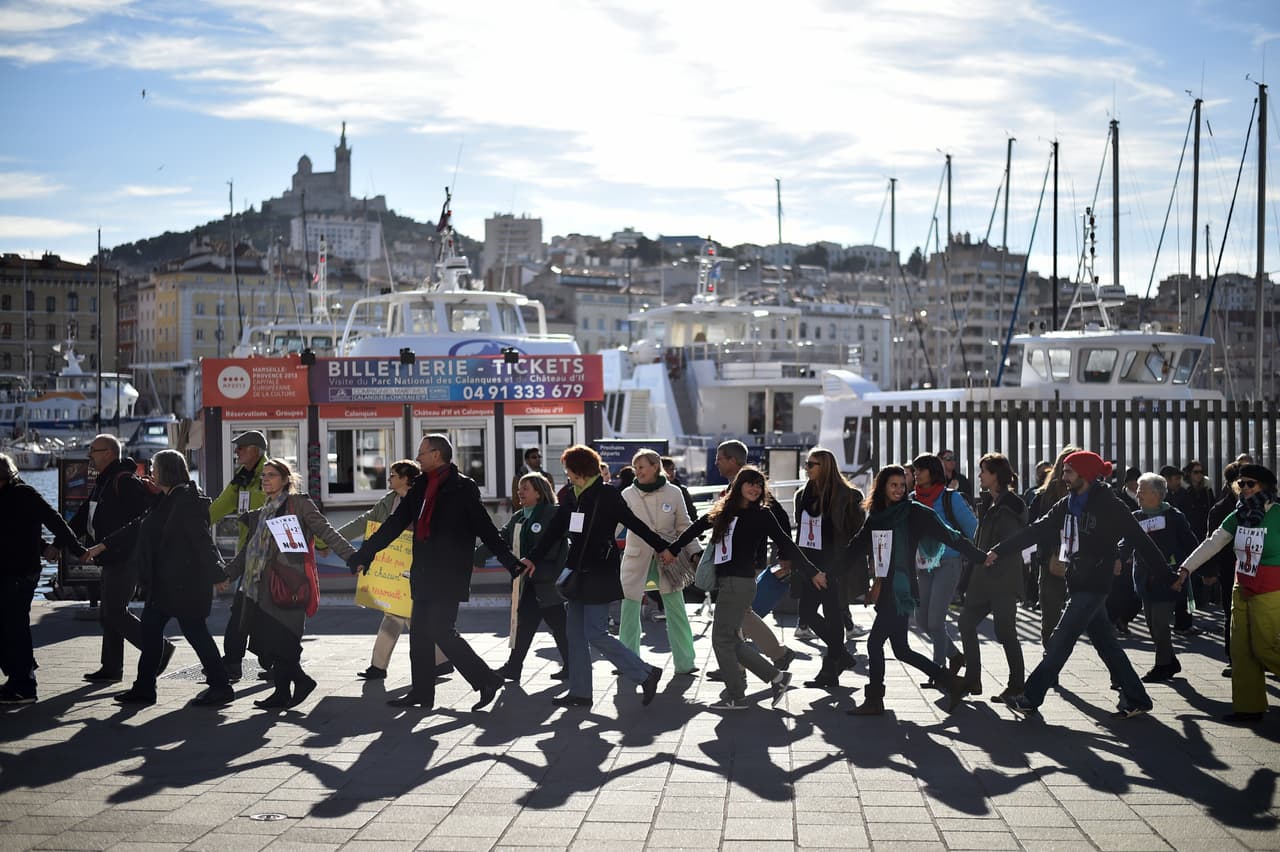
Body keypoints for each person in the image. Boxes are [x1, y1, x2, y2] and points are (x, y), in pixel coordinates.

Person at [349, 434, 524, 711]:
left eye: (422, 452)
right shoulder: (419, 487)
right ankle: (421, 693)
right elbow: (395, 524)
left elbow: (485, 528)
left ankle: (485, 679)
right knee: (419, 632)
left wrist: (509, 561)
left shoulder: (462, 487)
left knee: (441, 630)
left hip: (450, 573)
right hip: (423, 572)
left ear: (437, 455)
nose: (417, 457)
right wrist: (364, 553)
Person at [984, 451, 1164, 720]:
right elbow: (1037, 529)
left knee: (1060, 640)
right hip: (1078, 581)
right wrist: (1001, 550)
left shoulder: (1110, 505)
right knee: (1107, 644)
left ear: (1086, 474)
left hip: (1095, 584)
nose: (1063, 477)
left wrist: (1168, 574)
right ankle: (1137, 698)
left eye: (1068, 472)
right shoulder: (1069, 503)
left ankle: (1030, 698)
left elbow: (1140, 540)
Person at [523, 444, 671, 709]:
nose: (566, 475)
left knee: (595, 632)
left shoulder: (606, 495)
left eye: (568, 470)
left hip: (600, 572)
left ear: (578, 471)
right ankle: (580, 693)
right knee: (574, 634)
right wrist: (533, 557)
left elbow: (635, 523)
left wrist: (663, 547)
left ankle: (645, 673)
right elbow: (555, 530)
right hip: (576, 572)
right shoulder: (570, 495)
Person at [668, 466, 823, 710]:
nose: (754, 488)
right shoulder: (725, 510)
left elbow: (786, 543)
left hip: (740, 583)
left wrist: (812, 571)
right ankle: (776, 677)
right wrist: (673, 548)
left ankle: (737, 694)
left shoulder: (762, 514)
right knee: (728, 638)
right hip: (728, 581)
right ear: (739, 485)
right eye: (750, 483)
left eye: (759, 485)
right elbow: (697, 527)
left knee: (721, 638)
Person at [846, 465, 988, 716]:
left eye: (903, 485)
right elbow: (858, 545)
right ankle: (952, 682)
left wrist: (980, 556)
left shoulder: (916, 512)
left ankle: (874, 699)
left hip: (901, 589)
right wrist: (828, 570)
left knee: (873, 643)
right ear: (882, 487)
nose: (900, 489)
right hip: (887, 585)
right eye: (894, 485)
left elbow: (950, 536)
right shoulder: (877, 515)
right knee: (901, 649)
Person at [225, 458, 355, 709]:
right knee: (273, 642)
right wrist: (228, 574)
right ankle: (284, 692)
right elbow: (248, 552)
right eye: (263, 475)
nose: (265, 479)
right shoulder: (262, 512)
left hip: (290, 584)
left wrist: (352, 557)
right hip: (261, 587)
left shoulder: (299, 504)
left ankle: (297, 683)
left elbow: (327, 532)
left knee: (284, 640)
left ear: (286, 480)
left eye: (271, 475)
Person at [112, 451, 234, 707]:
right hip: (164, 584)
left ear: (168, 471)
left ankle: (221, 686)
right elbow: (142, 526)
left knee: (195, 632)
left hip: (184, 584)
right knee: (151, 632)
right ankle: (144, 687)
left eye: (155, 468)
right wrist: (105, 545)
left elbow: (202, 542)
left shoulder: (186, 501)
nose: (151, 473)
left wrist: (217, 574)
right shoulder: (166, 499)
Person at [1174, 464, 1279, 723]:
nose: (1243, 489)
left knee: (1265, 648)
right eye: (1240, 484)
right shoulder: (1238, 515)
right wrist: (1186, 568)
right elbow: (1213, 542)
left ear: (1265, 487)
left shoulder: (1277, 513)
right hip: (1241, 587)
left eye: (1249, 484)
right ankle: (1248, 708)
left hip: (1270, 588)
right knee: (1241, 651)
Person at [331, 460, 451, 681]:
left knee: (404, 615)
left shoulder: (424, 500)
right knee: (398, 612)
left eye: (393, 475)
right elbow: (363, 522)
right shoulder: (388, 502)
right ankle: (438, 660)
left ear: (406, 478)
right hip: (392, 568)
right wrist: (331, 539)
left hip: (417, 567)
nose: (389, 479)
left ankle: (435, 661)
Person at [72, 434, 170, 684]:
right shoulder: (103, 482)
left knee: (115, 612)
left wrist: (108, 544)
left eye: (93, 450)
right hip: (110, 556)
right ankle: (111, 667)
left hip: (125, 556)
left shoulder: (124, 481)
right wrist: (62, 541)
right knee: (109, 613)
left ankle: (159, 649)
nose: (88, 455)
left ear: (108, 453)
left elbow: (140, 522)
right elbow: (85, 514)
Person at [0, 453, 86, 704]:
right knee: (11, 627)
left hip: (20, 573)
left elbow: (56, 522)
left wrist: (76, 550)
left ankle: (24, 685)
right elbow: (16, 534)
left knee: (14, 626)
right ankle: (21, 673)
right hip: (11, 570)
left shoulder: (24, 494)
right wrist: (44, 546)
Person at [706, 440, 797, 677]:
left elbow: (780, 521)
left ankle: (740, 667)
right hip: (735, 563)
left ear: (732, 461)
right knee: (742, 615)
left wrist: (785, 556)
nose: (716, 462)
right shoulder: (733, 488)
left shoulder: (753, 486)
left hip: (746, 564)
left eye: (720, 457)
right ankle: (771, 656)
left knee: (739, 615)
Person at [484, 472, 570, 683]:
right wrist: (473, 556)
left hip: (548, 582)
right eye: (519, 488)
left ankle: (572, 665)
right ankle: (514, 667)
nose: (519, 492)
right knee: (527, 623)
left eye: (525, 488)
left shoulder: (552, 513)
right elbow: (499, 539)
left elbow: (553, 545)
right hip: (529, 582)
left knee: (558, 625)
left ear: (539, 493)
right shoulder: (520, 516)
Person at [619, 450, 698, 676]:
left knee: (676, 610)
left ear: (655, 466)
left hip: (669, 557)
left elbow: (685, 525)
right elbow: (613, 526)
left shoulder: (674, 492)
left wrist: (695, 553)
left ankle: (685, 662)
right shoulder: (627, 494)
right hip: (636, 558)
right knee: (629, 610)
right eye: (635, 468)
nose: (638, 471)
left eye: (642, 466)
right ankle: (628, 662)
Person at [791, 447, 865, 689]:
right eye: (806, 463)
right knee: (808, 613)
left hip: (835, 566)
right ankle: (840, 655)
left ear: (825, 466)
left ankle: (830, 670)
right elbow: (800, 533)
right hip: (811, 566)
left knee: (833, 614)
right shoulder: (802, 495)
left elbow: (857, 535)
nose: (806, 467)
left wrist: (836, 569)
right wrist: (804, 567)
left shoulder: (848, 495)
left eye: (811, 464)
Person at [957, 453, 1027, 701]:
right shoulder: (988, 503)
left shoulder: (1012, 505)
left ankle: (1018, 685)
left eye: (983, 471)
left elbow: (1010, 542)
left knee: (1005, 630)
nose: (979, 475)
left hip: (1003, 579)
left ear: (996, 474)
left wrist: (990, 556)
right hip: (981, 579)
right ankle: (972, 679)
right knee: (965, 623)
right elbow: (979, 542)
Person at [1124, 472, 1198, 684]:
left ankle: (1162, 665)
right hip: (1143, 579)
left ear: (1157, 495)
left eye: (1142, 490)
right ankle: (1171, 661)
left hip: (1168, 579)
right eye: (1138, 490)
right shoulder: (1136, 517)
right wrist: (1120, 557)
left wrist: (1191, 570)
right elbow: (1126, 542)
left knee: (1159, 624)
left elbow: (1191, 544)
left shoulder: (1174, 517)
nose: (1137, 494)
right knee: (1151, 624)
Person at [911, 453, 977, 684]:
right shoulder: (912, 499)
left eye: (921, 469)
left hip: (948, 563)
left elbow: (973, 529)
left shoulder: (951, 499)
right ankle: (956, 656)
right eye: (914, 469)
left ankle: (937, 671)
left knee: (935, 621)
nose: (916, 473)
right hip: (923, 565)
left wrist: (978, 557)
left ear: (933, 471)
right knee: (921, 620)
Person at [208, 430, 268, 682]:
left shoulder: (271, 474)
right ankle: (242, 661)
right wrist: (197, 522)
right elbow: (222, 504)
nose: (237, 452)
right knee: (246, 608)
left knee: (253, 609)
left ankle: (243, 662)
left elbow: (295, 508)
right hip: (248, 552)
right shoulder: (242, 478)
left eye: (241, 448)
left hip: (270, 554)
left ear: (255, 450)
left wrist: (319, 543)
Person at [1029, 446, 1080, 646]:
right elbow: (1033, 524)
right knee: (1050, 614)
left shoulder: (1092, 494)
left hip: (1082, 561)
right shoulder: (1043, 495)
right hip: (1051, 559)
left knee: (1089, 616)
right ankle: (1050, 655)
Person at [1207, 461, 1243, 675]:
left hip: (1262, 570)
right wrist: (1210, 572)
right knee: (1231, 612)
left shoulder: (1268, 506)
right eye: (1242, 481)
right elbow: (1212, 541)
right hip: (1230, 568)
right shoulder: (1221, 509)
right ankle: (1233, 657)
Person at [662, 456, 699, 521]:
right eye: (667, 469)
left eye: (673, 469)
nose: (671, 472)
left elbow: (691, 512)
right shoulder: (655, 490)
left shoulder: (682, 490)